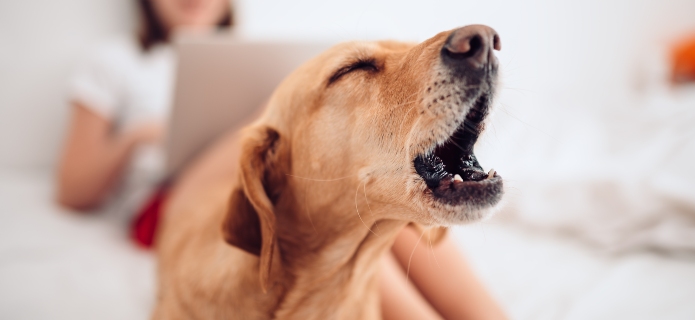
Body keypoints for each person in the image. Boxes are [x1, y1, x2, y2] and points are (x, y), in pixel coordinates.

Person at [55, 0, 507, 318]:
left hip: (297, 173)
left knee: (375, 208)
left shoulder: (253, 51)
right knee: (334, 219)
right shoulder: (117, 60)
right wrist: (141, 135)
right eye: (357, 69)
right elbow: (73, 188)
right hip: (170, 195)